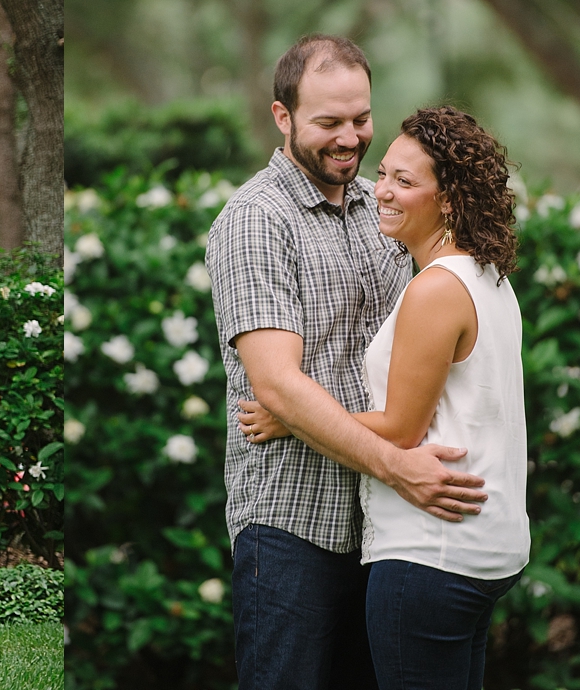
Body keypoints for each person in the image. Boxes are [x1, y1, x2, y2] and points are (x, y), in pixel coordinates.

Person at [205, 34, 489, 690]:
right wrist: (395, 463)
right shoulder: (255, 219)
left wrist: (302, 416)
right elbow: (275, 382)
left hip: (385, 529)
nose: (348, 136)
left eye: (359, 119)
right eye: (327, 122)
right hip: (290, 525)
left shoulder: (382, 205)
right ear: (282, 118)